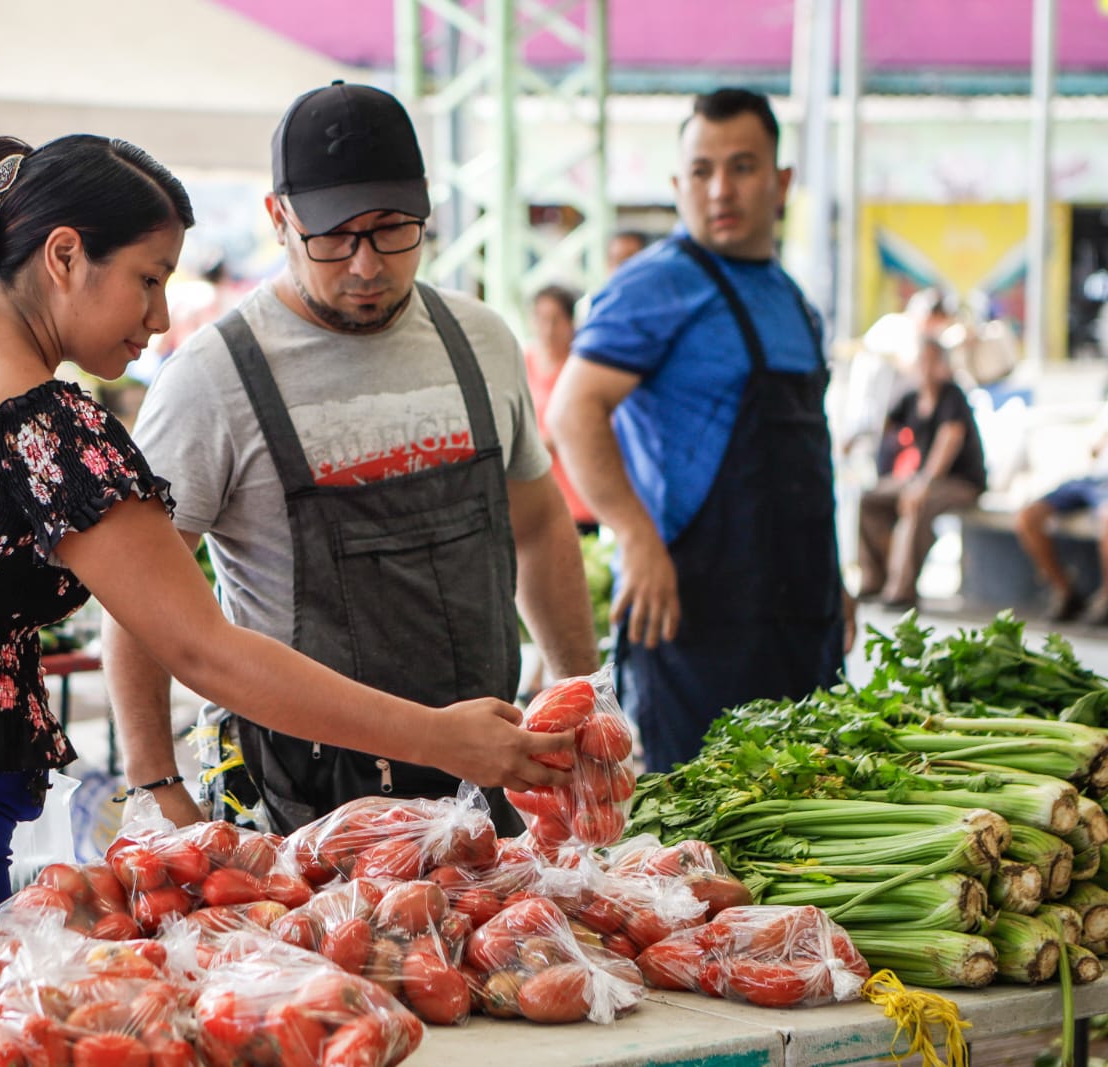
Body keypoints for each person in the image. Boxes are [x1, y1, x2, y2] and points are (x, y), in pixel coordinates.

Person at [0, 133, 576, 950]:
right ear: (63, 257)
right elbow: (209, 655)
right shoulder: (45, 428)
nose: (161, 316)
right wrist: (442, 738)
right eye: (147, 278)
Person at [103, 81, 599, 836]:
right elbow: (138, 604)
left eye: (393, 229)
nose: (367, 265)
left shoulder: (484, 341)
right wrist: (154, 779)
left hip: (490, 786)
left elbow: (535, 526)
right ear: (279, 219)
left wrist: (582, 696)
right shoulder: (213, 377)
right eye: (335, 236)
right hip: (299, 806)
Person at [549, 88, 851, 775]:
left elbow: (811, 456)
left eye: (742, 167)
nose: (721, 188)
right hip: (694, 617)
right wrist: (633, 532)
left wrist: (835, 581)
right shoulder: (654, 285)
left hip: (801, 613)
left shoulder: (792, 300)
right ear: (677, 184)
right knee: (703, 842)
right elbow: (573, 409)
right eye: (701, 170)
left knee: (810, 821)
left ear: (780, 182)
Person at [856, 336, 986, 609]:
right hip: (921, 477)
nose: (925, 368)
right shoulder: (911, 397)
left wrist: (924, 482)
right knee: (869, 499)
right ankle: (873, 579)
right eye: (921, 361)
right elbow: (886, 427)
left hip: (960, 481)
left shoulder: (952, 395)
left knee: (919, 502)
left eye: (930, 361)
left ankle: (901, 590)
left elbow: (948, 441)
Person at [1015, 404, 1108, 624]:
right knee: (1028, 517)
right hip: (1089, 479)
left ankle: (1106, 599)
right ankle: (1065, 591)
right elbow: (1092, 449)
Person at [525, 284, 597, 535]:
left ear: (571, 323)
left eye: (556, 320)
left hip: (577, 497)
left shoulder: (582, 367)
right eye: (542, 319)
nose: (549, 330)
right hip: (533, 495)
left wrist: (541, 442)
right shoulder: (522, 362)